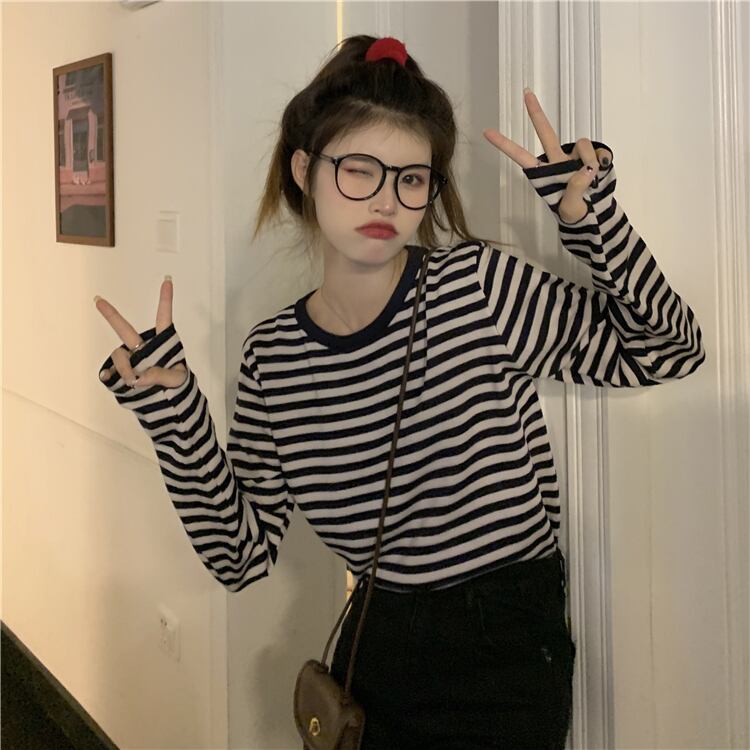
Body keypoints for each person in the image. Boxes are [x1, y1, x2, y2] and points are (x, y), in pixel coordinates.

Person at [94, 35, 705, 750]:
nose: (387, 198)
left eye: (412, 178)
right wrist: (174, 414)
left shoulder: (478, 289)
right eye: (359, 169)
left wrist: (590, 220)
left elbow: (670, 348)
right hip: (375, 645)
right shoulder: (273, 356)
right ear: (304, 169)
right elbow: (240, 554)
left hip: (503, 645)